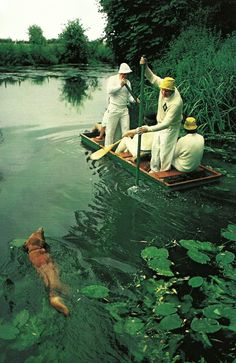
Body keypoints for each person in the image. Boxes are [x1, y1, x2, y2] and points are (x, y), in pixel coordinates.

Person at [138, 56, 183, 172]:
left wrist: (148, 128)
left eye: (167, 91)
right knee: (155, 147)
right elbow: (151, 77)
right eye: (162, 90)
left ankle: (164, 172)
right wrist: (146, 66)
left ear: (172, 90)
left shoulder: (176, 103)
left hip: (170, 127)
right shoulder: (164, 84)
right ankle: (154, 170)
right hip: (159, 123)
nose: (163, 93)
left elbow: (167, 123)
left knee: (165, 150)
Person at [104, 63, 136, 146]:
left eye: (126, 74)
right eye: (123, 74)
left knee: (126, 131)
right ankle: (108, 148)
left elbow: (129, 96)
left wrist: (134, 100)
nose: (125, 76)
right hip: (114, 109)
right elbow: (109, 91)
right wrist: (120, 86)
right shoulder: (112, 79)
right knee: (110, 130)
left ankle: (125, 148)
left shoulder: (128, 82)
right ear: (120, 73)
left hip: (124, 110)